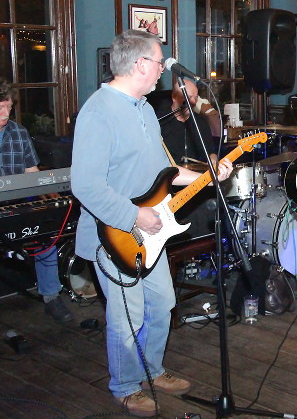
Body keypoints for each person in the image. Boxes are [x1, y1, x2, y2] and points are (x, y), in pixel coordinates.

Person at [71, 30, 232, 416]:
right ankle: (125, 386)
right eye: (159, 61)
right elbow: (84, 184)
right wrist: (132, 214)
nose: (162, 69)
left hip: (149, 231)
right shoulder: (98, 112)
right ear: (141, 64)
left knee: (163, 303)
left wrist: (208, 175)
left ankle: (152, 369)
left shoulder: (143, 108)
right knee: (129, 314)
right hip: (114, 235)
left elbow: (164, 171)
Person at [0, 77, 73, 344]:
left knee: (46, 240)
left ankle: (51, 297)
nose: (6, 113)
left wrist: (51, 195)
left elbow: (32, 175)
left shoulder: (18, 132)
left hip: (16, 205)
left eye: (8, 107)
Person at [156, 77, 221, 166]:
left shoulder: (200, 122)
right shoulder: (160, 121)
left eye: (196, 98)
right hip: (167, 175)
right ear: (174, 97)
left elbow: (209, 151)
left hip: (195, 175)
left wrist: (213, 158)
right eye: (188, 97)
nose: (193, 102)